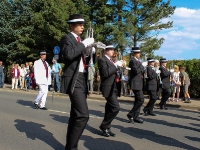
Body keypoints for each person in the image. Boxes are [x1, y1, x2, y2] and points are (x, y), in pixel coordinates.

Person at [60, 14, 94, 150]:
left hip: (82, 78)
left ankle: (70, 146)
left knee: (75, 115)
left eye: (83, 24)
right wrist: (84, 44)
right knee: (83, 115)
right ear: (71, 25)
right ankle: (72, 148)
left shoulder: (79, 40)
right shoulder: (67, 38)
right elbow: (68, 55)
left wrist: (91, 52)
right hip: (74, 79)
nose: (82, 27)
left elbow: (84, 60)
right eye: (79, 24)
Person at [98, 43, 122, 137]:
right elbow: (105, 73)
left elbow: (114, 72)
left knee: (109, 108)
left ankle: (107, 127)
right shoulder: (102, 60)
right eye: (110, 49)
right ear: (105, 51)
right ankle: (104, 125)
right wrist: (116, 65)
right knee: (116, 107)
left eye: (112, 49)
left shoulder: (112, 60)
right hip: (108, 87)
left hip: (114, 86)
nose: (112, 51)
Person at [126, 47, 145, 124]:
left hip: (139, 82)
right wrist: (141, 66)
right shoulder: (132, 61)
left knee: (138, 100)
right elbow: (136, 71)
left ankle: (135, 116)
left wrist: (141, 66)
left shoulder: (138, 61)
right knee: (141, 100)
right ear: (134, 53)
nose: (139, 54)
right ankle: (130, 114)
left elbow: (143, 70)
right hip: (135, 83)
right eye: (138, 53)